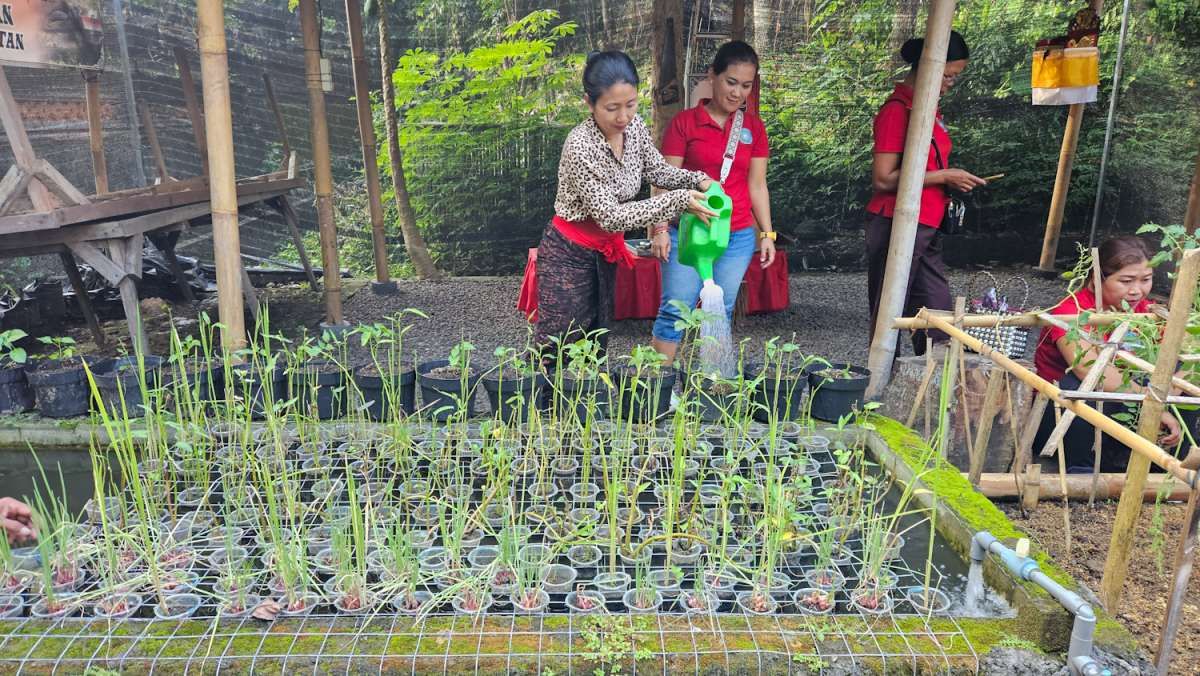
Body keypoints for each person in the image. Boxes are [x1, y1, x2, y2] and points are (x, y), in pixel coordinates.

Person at [536, 51, 716, 356]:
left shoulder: (634, 129)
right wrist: (679, 200)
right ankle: (542, 404)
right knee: (559, 342)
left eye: (631, 105)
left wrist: (699, 180)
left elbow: (657, 170)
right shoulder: (580, 146)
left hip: (605, 254)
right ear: (589, 103)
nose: (623, 117)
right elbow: (611, 217)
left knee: (596, 339)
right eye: (611, 108)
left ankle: (589, 404)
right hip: (567, 254)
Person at [649, 41, 777, 364]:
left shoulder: (753, 128)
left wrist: (767, 234)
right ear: (712, 76)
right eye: (731, 82)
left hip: (735, 236)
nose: (737, 93)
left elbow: (757, 185)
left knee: (720, 311)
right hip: (689, 231)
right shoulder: (685, 123)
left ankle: (709, 390)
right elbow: (664, 178)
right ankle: (657, 393)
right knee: (675, 311)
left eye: (746, 86)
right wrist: (660, 228)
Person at [865, 31, 986, 356]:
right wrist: (945, 176)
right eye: (948, 75)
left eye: (954, 77)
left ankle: (935, 385)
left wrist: (946, 180)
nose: (950, 82)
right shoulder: (897, 110)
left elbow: (921, 168)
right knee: (888, 309)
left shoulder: (927, 109)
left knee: (938, 312)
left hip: (927, 223)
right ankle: (874, 384)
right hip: (896, 222)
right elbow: (884, 178)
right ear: (927, 68)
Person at [1031, 236, 1184, 472]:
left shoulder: (1147, 312)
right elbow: (1090, 369)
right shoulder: (1071, 313)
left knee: (1175, 369)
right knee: (1078, 384)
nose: (1137, 290)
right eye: (1126, 281)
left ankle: (1171, 464)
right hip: (1063, 415)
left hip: (1127, 403)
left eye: (1146, 280)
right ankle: (1079, 467)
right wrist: (1152, 403)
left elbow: (1174, 358)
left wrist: (1163, 400)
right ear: (1097, 279)